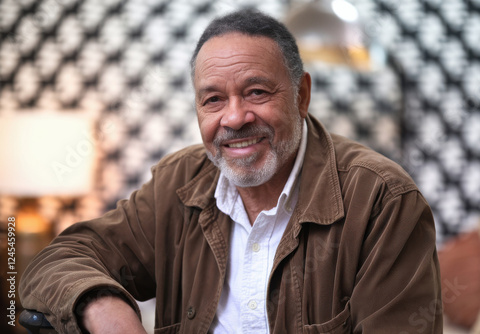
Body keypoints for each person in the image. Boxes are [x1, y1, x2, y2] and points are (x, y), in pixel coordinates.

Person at [20, 9, 442, 334]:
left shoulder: (383, 201)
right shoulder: (177, 183)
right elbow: (57, 259)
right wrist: (102, 305)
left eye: (256, 92)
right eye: (213, 100)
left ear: (302, 96)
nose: (235, 118)